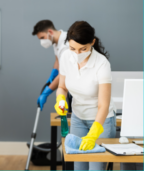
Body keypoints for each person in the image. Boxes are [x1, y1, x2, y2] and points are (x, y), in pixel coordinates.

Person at [55, 21, 116, 170]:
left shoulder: (102, 64)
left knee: (96, 167)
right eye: (72, 48)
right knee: (79, 167)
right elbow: (62, 87)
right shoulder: (65, 57)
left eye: (83, 49)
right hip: (77, 118)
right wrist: (60, 99)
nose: (77, 54)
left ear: (92, 42)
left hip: (101, 121)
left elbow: (103, 105)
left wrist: (94, 133)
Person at [32, 20, 69, 110]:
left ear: (50, 32)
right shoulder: (55, 40)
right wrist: (53, 72)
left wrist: (47, 91)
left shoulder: (66, 44)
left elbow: (65, 73)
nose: (42, 41)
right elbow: (57, 60)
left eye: (42, 37)